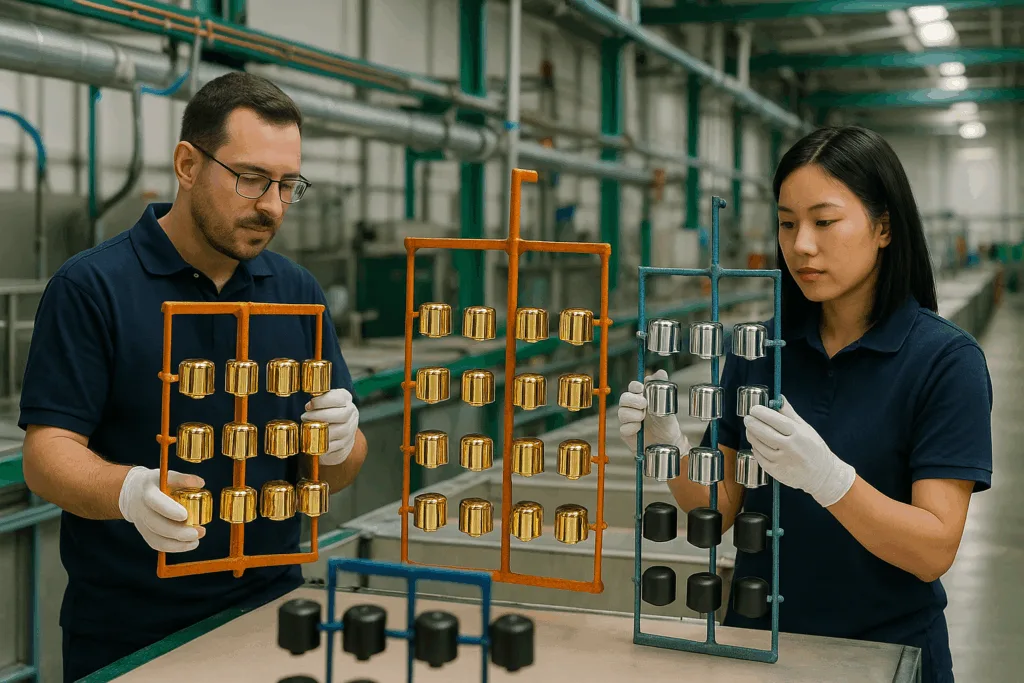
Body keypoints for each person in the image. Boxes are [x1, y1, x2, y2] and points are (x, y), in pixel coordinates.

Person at [19, 72, 369, 681]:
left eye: (289, 185)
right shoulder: (93, 287)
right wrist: (127, 491)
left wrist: (342, 441)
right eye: (252, 178)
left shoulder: (295, 291)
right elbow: (47, 452)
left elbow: (334, 474)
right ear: (187, 163)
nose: (272, 206)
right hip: (131, 630)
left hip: (273, 611)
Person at [618, 126, 992, 683]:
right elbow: (718, 512)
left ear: (884, 226)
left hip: (880, 657)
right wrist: (665, 445)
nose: (801, 245)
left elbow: (933, 549)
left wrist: (830, 481)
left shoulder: (944, 362)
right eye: (788, 223)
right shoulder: (759, 352)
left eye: (824, 221)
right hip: (757, 649)